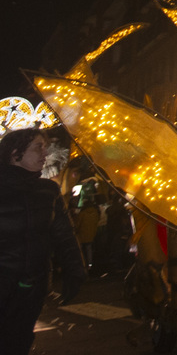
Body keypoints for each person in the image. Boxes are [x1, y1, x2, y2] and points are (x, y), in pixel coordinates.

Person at [0, 128, 87, 355]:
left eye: (44, 147)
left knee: (19, 341)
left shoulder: (49, 190)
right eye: (38, 147)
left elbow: (64, 235)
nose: (45, 152)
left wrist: (75, 271)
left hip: (32, 286)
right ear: (15, 153)